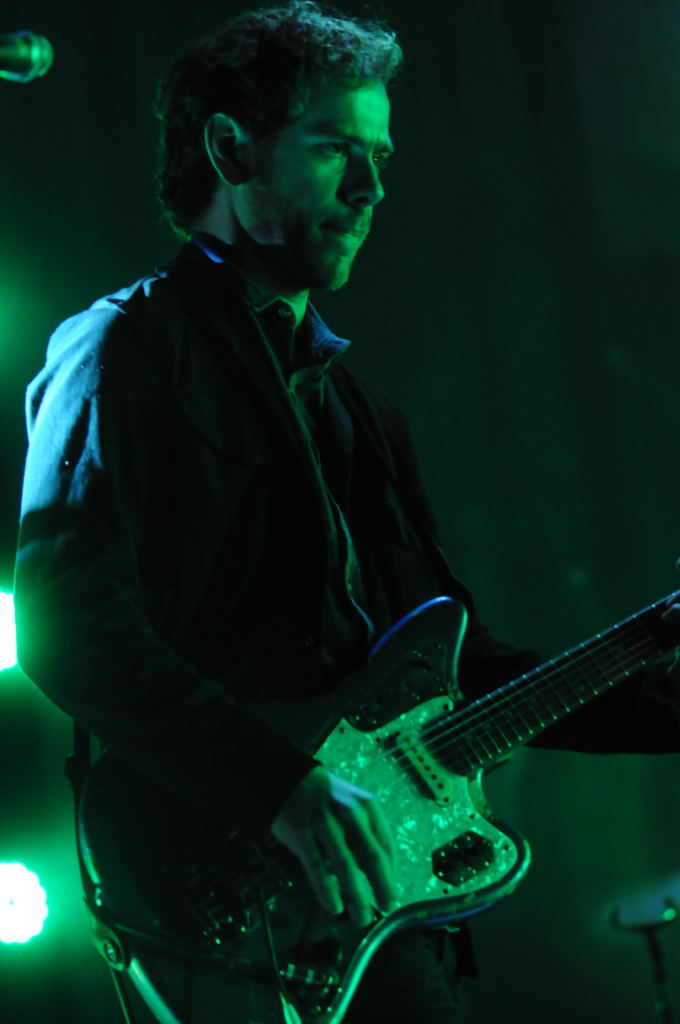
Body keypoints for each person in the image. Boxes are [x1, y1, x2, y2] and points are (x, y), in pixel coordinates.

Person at [13, 3, 680, 1022]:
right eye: (335, 149)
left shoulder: (361, 414)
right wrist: (279, 786)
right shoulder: (123, 350)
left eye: (381, 155)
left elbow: (456, 672)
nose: (371, 188)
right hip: (225, 892)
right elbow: (70, 628)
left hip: (380, 909)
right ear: (230, 149)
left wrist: (662, 683)